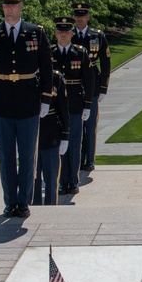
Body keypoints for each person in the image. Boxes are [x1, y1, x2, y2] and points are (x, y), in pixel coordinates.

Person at [0, 0, 53, 219]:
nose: (9, 8)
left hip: (28, 99)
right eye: (6, 4)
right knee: (6, 157)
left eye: (14, 4)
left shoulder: (35, 33)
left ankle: (24, 202)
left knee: (28, 155)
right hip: (0, 102)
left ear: (21, 6)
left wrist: (45, 99)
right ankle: (10, 201)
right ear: (2, 7)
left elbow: (47, 68)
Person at [53, 16, 93, 195]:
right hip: (55, 107)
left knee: (74, 144)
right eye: (60, 32)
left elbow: (88, 80)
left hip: (75, 105)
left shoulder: (80, 53)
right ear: (56, 33)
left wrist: (87, 105)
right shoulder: (49, 53)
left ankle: (73, 181)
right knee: (59, 145)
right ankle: (62, 181)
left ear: (71, 33)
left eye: (66, 32)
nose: (63, 35)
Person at [72, 3, 111, 174]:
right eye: (77, 16)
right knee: (75, 124)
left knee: (90, 125)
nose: (79, 19)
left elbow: (106, 61)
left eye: (83, 16)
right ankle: (77, 157)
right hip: (73, 84)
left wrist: (103, 87)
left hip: (93, 83)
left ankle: (89, 159)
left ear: (88, 17)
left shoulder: (97, 35)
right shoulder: (68, 34)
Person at [34, 69, 68, 206]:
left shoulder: (56, 78)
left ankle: (50, 207)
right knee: (32, 179)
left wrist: (65, 136)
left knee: (51, 178)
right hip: (31, 135)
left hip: (51, 133)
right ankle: (32, 206)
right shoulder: (25, 77)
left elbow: (63, 109)